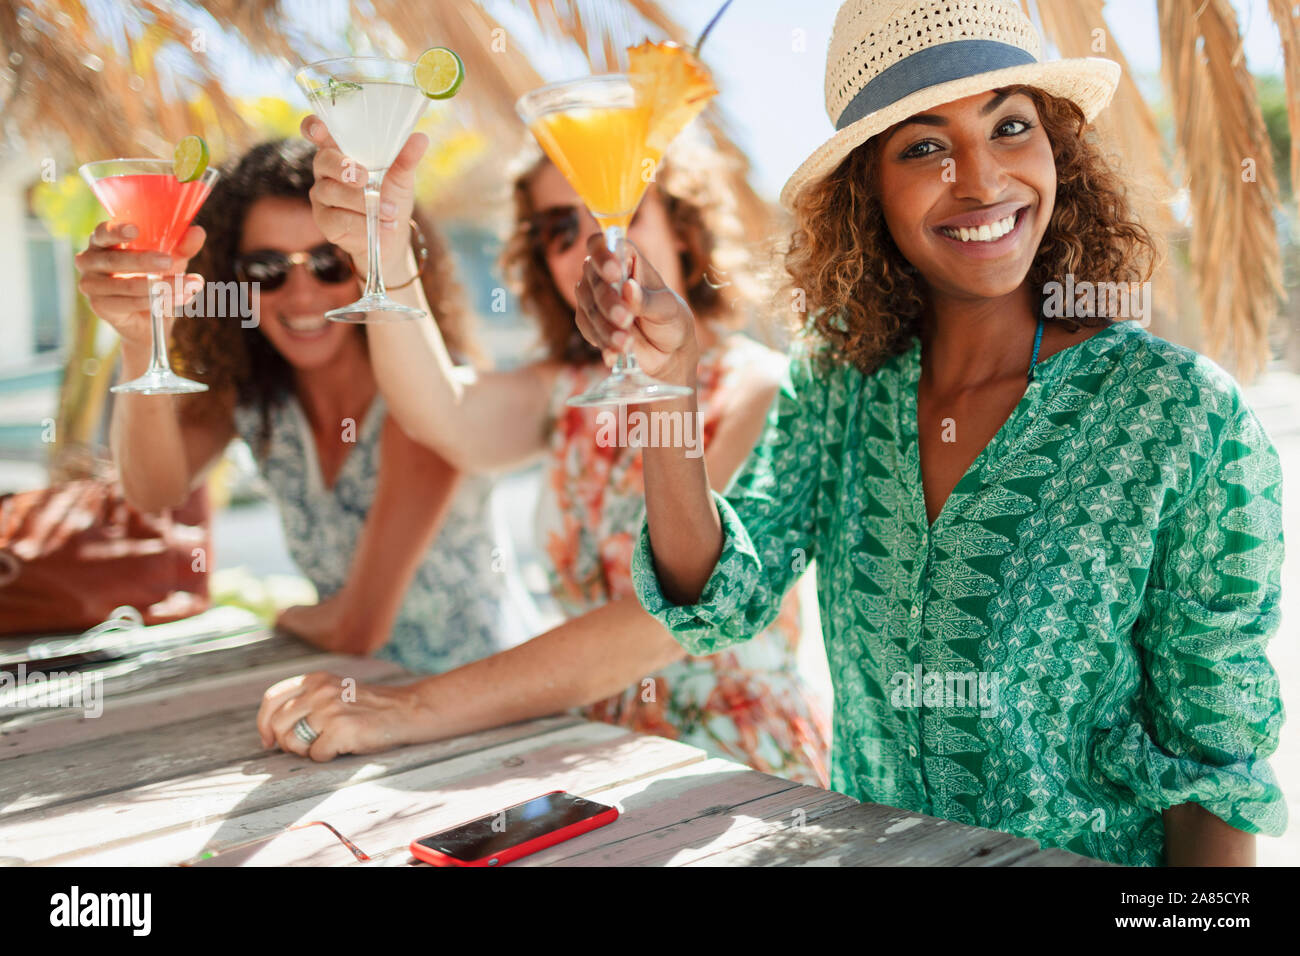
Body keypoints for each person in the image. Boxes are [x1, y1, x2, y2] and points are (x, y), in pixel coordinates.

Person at [575, 0, 1288, 867]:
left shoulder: (1182, 419)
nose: (982, 181)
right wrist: (667, 392)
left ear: (1056, 148)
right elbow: (720, 598)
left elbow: (1213, 773)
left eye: (1011, 126)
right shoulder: (840, 384)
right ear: (867, 189)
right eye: (923, 146)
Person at [257, 122, 831, 788]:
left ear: (681, 226)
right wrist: (382, 251)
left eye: (618, 210)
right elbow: (438, 415)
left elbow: (663, 624)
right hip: (587, 760)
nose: (595, 244)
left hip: (739, 775)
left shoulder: (758, 387)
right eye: (561, 229)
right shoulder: (566, 390)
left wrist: (411, 706)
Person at [75, 138, 535, 674]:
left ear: (369, 264)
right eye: (267, 269)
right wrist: (137, 343)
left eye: (329, 263)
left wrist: (283, 616)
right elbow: (154, 489)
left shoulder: (425, 402)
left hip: (487, 710)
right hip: (350, 707)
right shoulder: (258, 393)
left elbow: (357, 628)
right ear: (232, 280)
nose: (301, 295)